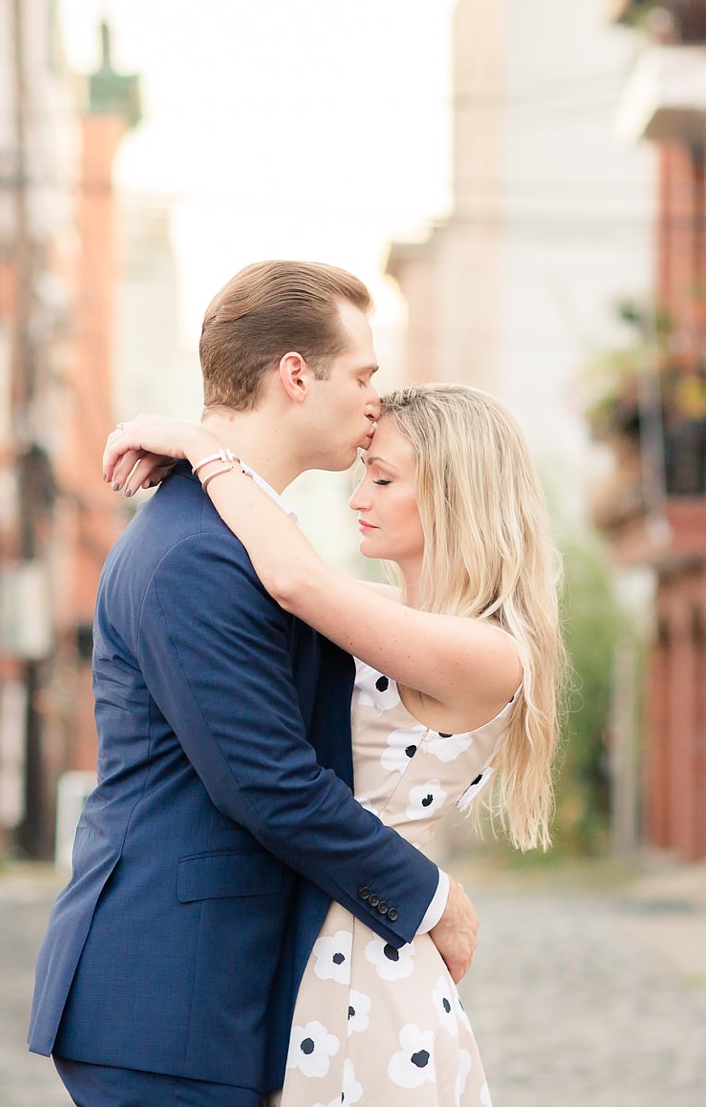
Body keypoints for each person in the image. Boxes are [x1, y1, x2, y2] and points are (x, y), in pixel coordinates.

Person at [27, 261, 481, 1106]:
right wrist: (431, 900)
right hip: (165, 994)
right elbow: (268, 782)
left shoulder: (234, 530)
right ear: (296, 376)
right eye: (363, 375)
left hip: (211, 994)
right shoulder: (197, 553)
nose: (375, 399)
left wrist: (203, 450)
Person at [102, 384, 561, 1105]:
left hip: (368, 972)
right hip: (325, 944)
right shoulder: (395, 616)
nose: (359, 498)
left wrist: (200, 446)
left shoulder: (486, 652)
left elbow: (292, 578)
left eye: (382, 479)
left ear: (455, 493)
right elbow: (275, 571)